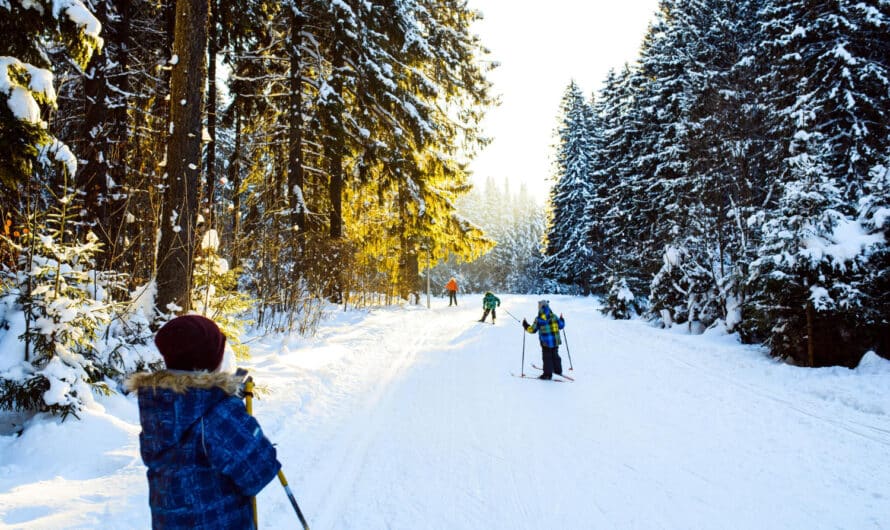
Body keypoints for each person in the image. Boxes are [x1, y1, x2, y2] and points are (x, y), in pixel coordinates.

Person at [127, 315, 281, 529]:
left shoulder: (158, 404)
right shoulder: (218, 413)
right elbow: (260, 471)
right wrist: (235, 411)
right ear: (211, 359)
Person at [522, 300, 566, 380]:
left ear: (540, 308)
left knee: (547, 357)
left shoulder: (539, 319)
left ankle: (547, 374)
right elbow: (561, 325)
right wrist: (562, 319)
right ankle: (558, 371)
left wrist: (525, 325)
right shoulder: (554, 316)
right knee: (555, 355)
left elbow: (532, 330)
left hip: (546, 342)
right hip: (555, 341)